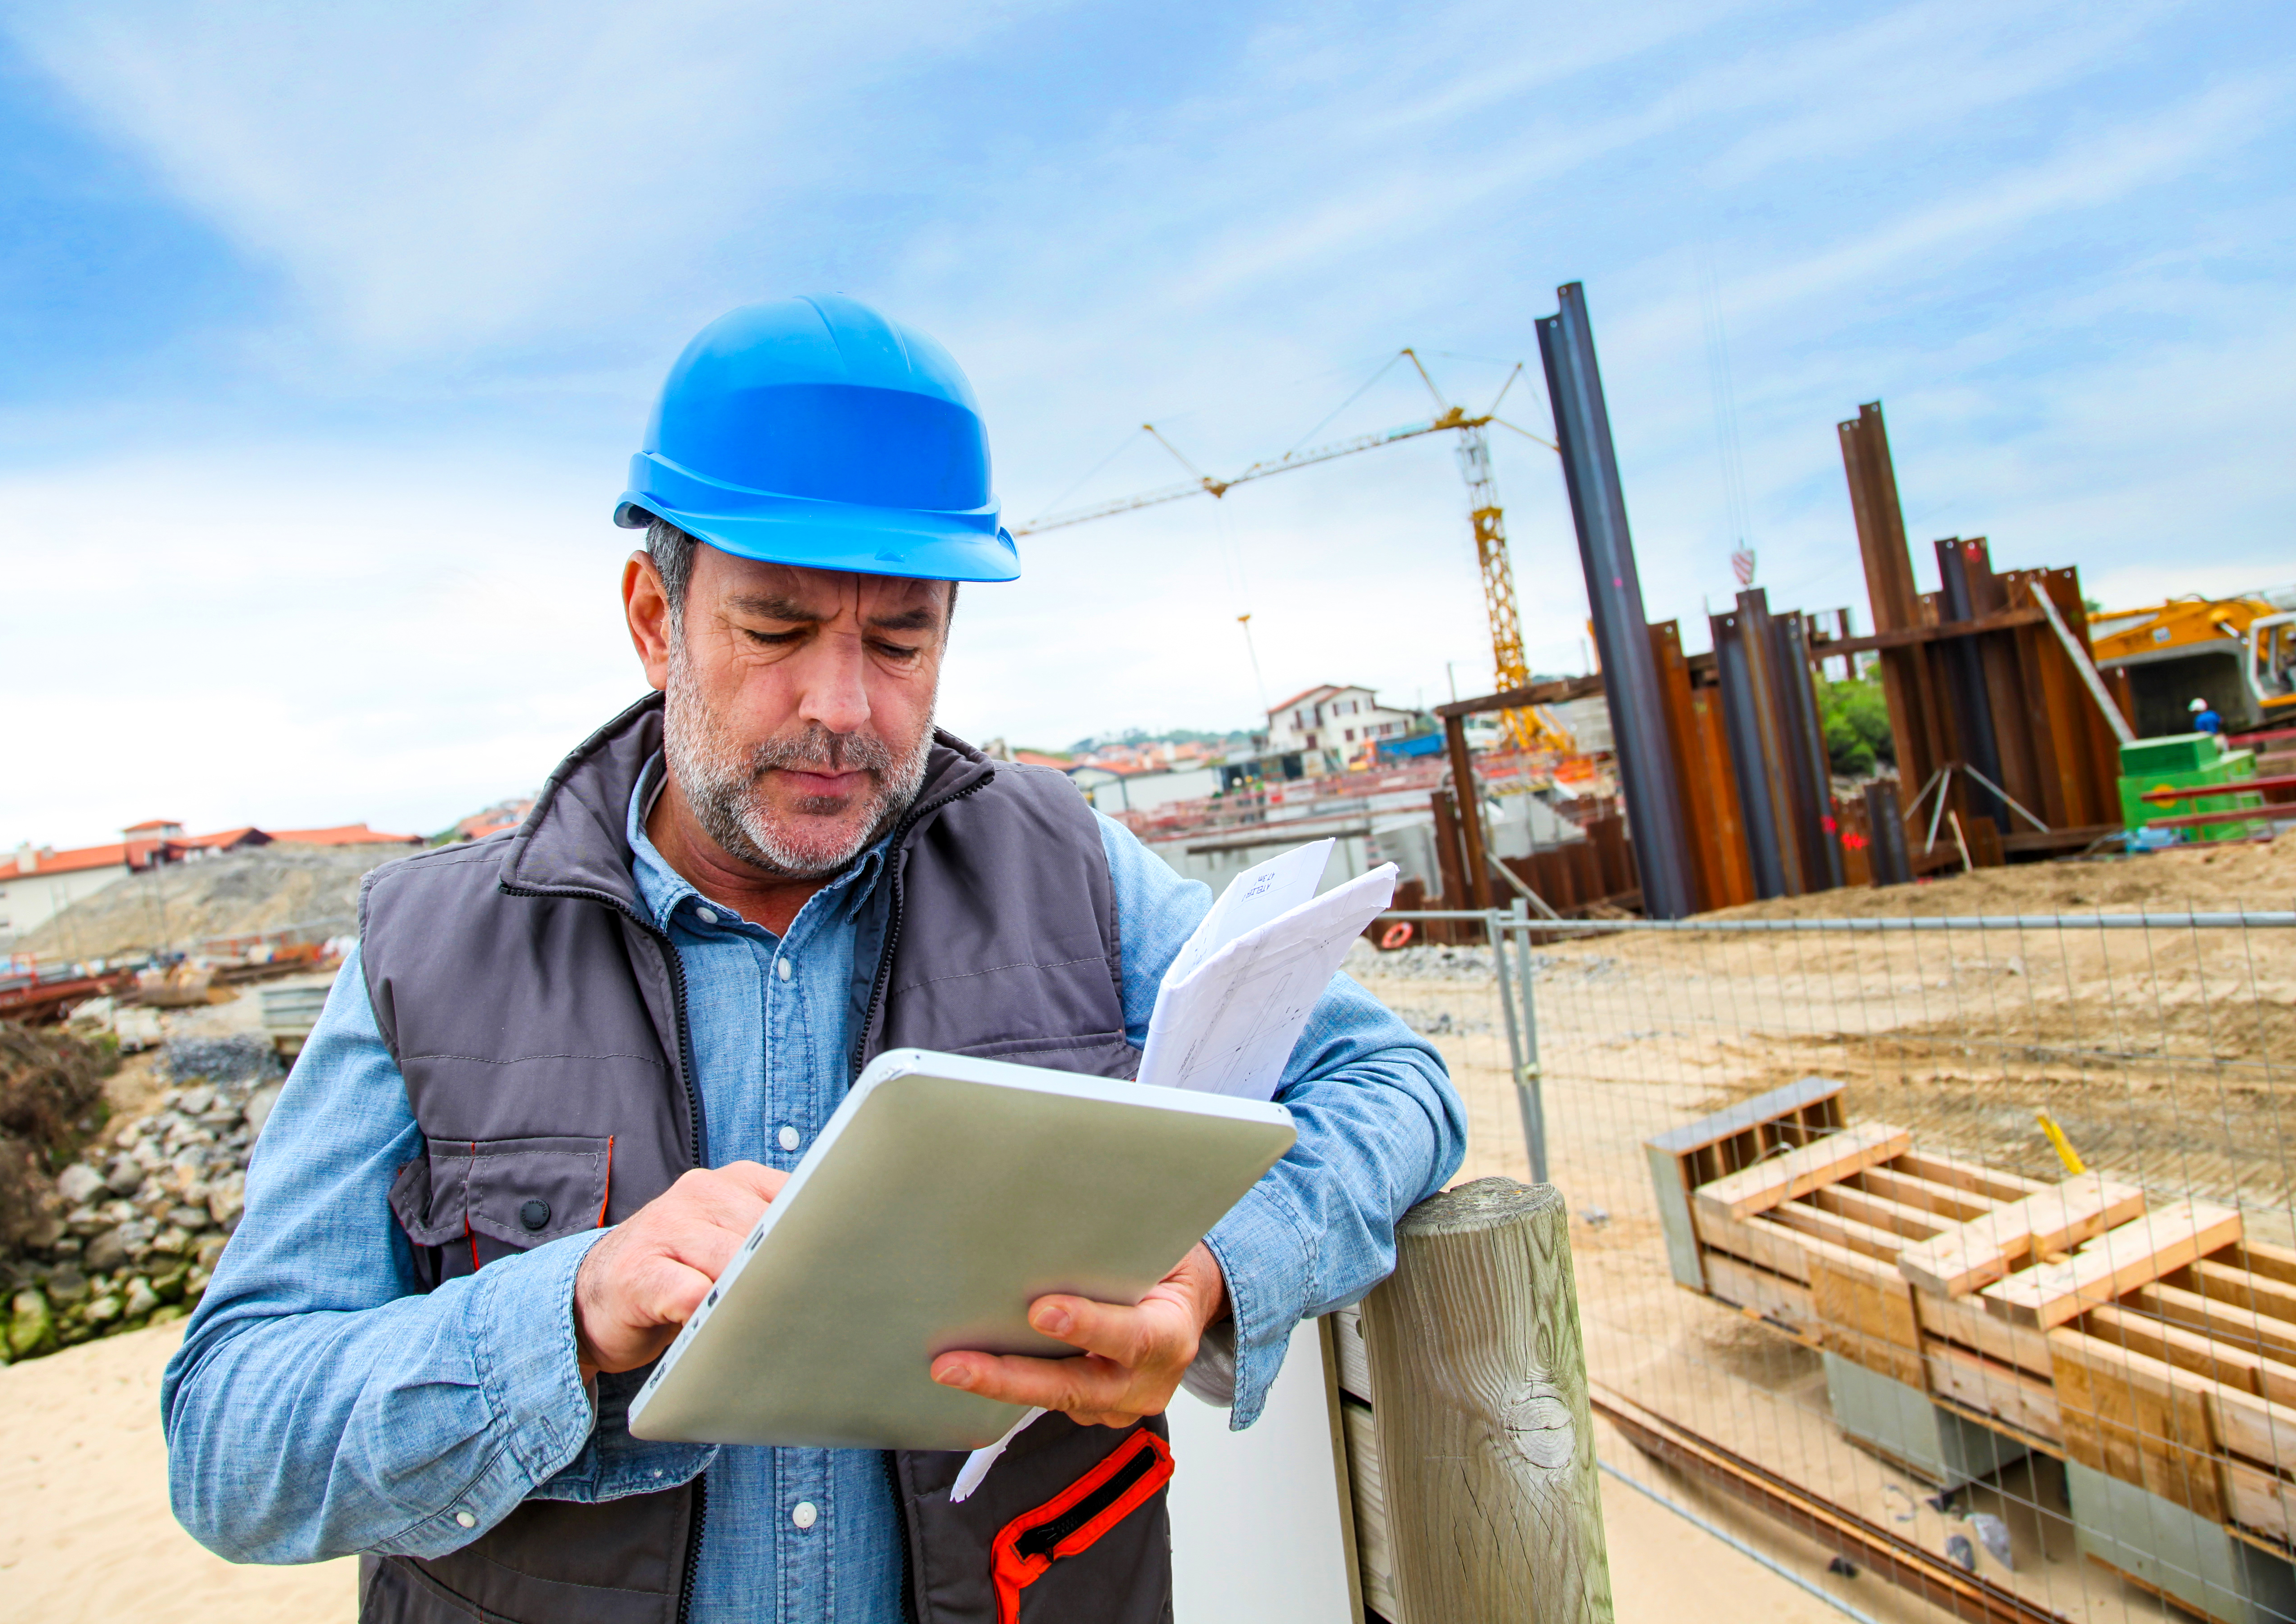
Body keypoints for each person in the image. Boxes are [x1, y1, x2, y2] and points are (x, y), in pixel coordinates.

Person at [162, 294, 1468, 1624]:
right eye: (776, 630)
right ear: (652, 616)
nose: (843, 709)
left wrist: (1206, 1276)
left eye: (900, 641)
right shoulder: (423, 949)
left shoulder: (1068, 863)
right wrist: (566, 1311)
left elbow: (1395, 1085)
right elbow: (228, 1442)